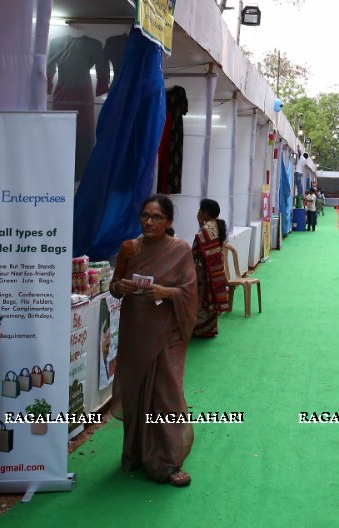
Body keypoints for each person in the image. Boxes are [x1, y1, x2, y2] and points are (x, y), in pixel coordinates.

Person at [109, 195, 197, 486]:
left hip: (167, 330)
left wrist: (165, 292)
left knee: (166, 392)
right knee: (135, 391)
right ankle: (135, 453)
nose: (149, 221)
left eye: (156, 217)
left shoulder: (180, 250)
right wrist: (119, 286)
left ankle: (168, 462)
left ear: (169, 222)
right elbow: (115, 288)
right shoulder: (129, 248)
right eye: (145, 215)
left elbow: (188, 292)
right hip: (136, 328)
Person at [190, 198, 230, 338]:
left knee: (202, 299)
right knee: (210, 298)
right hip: (216, 268)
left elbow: (195, 251)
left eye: (201, 210)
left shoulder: (206, 230)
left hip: (206, 271)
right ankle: (210, 328)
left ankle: (201, 329)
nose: (199, 212)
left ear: (205, 213)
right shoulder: (217, 225)